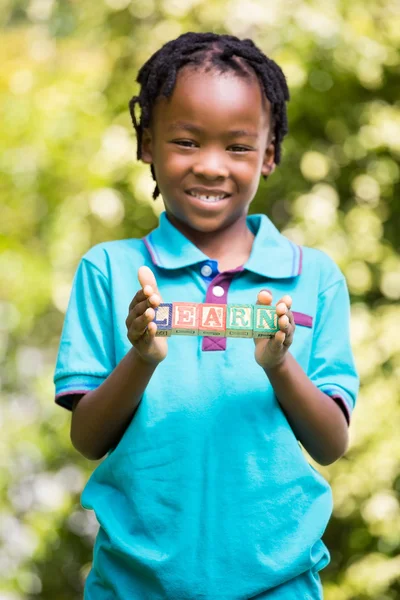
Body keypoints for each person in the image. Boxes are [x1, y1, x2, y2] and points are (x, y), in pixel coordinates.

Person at [53, 32, 359, 599]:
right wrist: (141, 359)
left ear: (269, 155)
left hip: (280, 585)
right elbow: (88, 437)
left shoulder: (314, 278)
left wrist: (279, 365)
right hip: (133, 586)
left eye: (238, 147)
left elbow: (331, 444)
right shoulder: (108, 270)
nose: (212, 167)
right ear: (147, 144)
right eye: (187, 142)